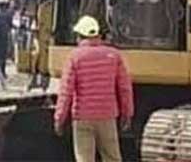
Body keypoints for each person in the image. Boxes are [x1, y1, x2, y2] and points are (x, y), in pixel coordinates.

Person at [54, 16, 133, 162]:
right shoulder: (114, 56)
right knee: (112, 157)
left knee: (84, 158)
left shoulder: (75, 57)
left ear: (80, 36)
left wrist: (59, 118)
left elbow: (66, 91)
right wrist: (127, 114)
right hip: (108, 116)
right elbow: (124, 88)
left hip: (82, 117)